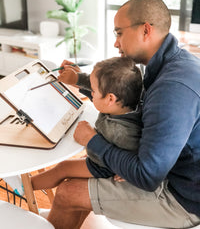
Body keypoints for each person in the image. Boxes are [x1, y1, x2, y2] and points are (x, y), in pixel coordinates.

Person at [43, 0, 200, 229]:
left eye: (119, 33)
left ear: (145, 30)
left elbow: (146, 176)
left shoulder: (171, 90)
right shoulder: (173, 62)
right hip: (170, 170)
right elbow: (127, 96)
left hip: (183, 198)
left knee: (67, 192)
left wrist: (92, 140)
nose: (116, 43)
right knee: (77, 176)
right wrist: (81, 80)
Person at [31, 56, 143, 189]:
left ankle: (24, 188)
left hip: (105, 167)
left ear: (110, 99)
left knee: (63, 168)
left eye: (94, 91)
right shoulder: (122, 107)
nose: (92, 94)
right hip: (104, 159)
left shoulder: (121, 132)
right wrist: (77, 78)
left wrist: (126, 172)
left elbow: (134, 154)